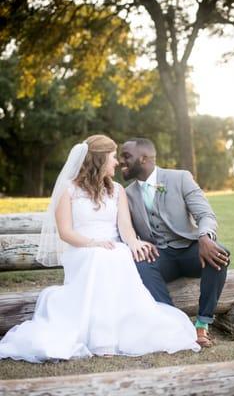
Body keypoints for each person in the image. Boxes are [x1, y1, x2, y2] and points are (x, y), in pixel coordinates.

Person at [0, 135, 200, 363]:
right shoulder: (68, 190)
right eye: (113, 157)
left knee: (118, 255)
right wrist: (93, 243)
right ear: (99, 159)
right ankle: (99, 338)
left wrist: (133, 242)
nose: (117, 162)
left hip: (113, 247)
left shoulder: (117, 190)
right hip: (81, 248)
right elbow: (66, 232)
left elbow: (125, 226)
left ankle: (118, 332)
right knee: (99, 257)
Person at [120, 137, 230, 347]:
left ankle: (202, 323)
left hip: (190, 250)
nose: (120, 161)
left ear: (143, 158)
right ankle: (171, 323)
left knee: (220, 254)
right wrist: (137, 243)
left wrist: (205, 236)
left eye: (126, 156)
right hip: (160, 255)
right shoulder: (126, 194)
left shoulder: (180, 178)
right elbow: (127, 229)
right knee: (141, 263)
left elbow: (206, 215)